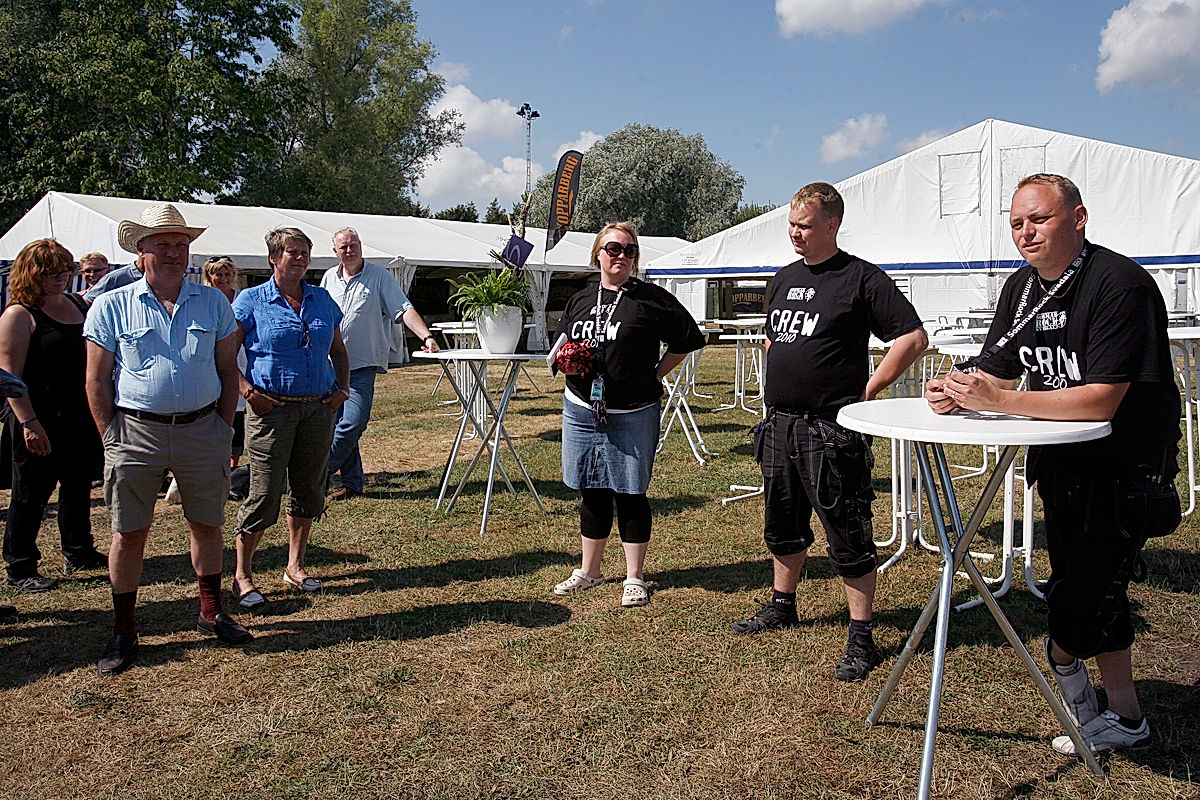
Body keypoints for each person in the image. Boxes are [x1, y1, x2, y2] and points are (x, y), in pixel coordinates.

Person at [925, 174, 1180, 756]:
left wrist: (1003, 401)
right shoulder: (1022, 288)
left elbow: (1101, 399)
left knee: (1084, 600)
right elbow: (997, 369)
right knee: (1089, 588)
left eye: (1039, 219)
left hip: (1124, 468)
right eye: (1016, 223)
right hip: (1062, 462)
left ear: (1078, 218)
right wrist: (959, 389)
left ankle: (1070, 669)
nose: (1025, 232)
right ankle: (1119, 713)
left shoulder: (1119, 284)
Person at [731, 182, 928, 683]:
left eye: (804, 225)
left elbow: (912, 337)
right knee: (782, 523)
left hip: (831, 429)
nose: (794, 233)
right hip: (780, 424)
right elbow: (775, 336)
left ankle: (861, 636)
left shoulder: (859, 278)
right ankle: (782, 604)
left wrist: (871, 387)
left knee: (847, 530)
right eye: (791, 224)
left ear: (832, 224)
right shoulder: (784, 277)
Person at [84, 203, 253, 677]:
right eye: (163, 244)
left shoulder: (214, 303)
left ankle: (211, 611)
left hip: (203, 430)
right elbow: (95, 379)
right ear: (140, 251)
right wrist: (111, 437)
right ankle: (124, 629)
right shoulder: (110, 305)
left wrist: (222, 429)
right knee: (128, 532)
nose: (175, 253)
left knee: (207, 524)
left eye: (181, 244)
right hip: (135, 432)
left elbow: (227, 370)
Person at [550, 222, 706, 607]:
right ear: (597, 255)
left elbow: (688, 338)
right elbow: (565, 340)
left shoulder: (650, 298)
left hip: (633, 410)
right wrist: (567, 360)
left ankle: (634, 577)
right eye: (613, 248)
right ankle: (590, 570)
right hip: (582, 408)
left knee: (631, 490)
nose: (621, 255)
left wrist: (655, 374)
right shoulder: (581, 299)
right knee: (592, 487)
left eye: (630, 250)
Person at [231, 227, 350, 610]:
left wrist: (342, 390)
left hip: (317, 409)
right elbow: (224, 356)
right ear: (273, 257)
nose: (299, 259)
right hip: (272, 411)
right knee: (264, 492)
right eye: (292, 252)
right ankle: (242, 575)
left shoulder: (322, 299)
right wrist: (249, 393)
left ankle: (295, 566)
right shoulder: (251, 300)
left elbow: (338, 351)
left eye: (304, 252)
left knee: (310, 488)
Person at [0, 239, 106, 593]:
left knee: (78, 486)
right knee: (30, 494)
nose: (60, 277)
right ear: (31, 274)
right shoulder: (19, 315)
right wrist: (29, 423)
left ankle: (79, 551)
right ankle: (20, 566)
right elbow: (10, 378)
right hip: (37, 417)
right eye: (50, 272)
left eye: (65, 270)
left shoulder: (78, 304)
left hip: (78, 415)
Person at [320, 227, 438, 501]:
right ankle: (352, 483)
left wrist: (427, 336)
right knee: (336, 426)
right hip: (329, 366)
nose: (349, 250)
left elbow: (404, 309)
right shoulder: (328, 278)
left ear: (361, 245)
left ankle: (315, 473)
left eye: (353, 244)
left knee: (353, 423)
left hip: (361, 365)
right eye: (343, 247)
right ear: (335, 251)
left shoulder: (380, 277)